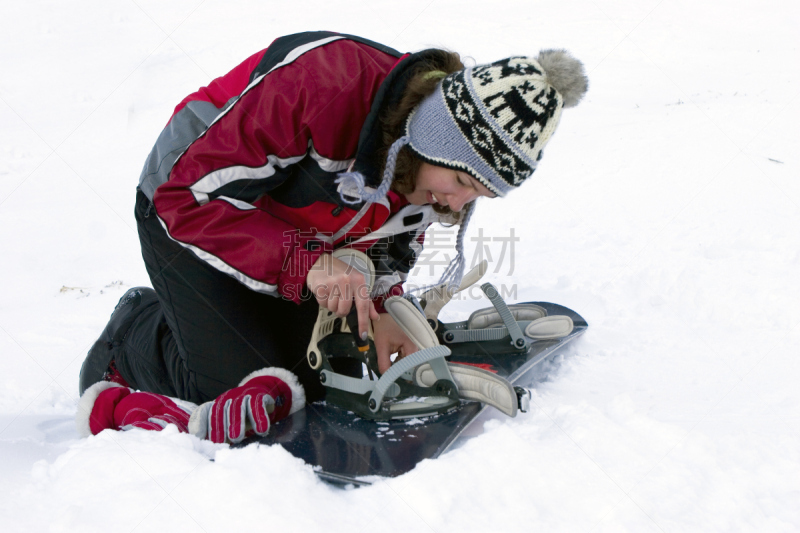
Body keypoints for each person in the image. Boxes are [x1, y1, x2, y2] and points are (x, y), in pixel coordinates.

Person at [76, 31, 587, 443]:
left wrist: (384, 303)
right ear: (431, 140)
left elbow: (393, 240)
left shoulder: (429, 174)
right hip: (188, 206)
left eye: (478, 195)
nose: (455, 204)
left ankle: (238, 318)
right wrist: (307, 264)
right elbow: (185, 197)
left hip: (294, 235)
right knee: (239, 392)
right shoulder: (323, 84)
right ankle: (132, 335)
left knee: (314, 377)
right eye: (460, 184)